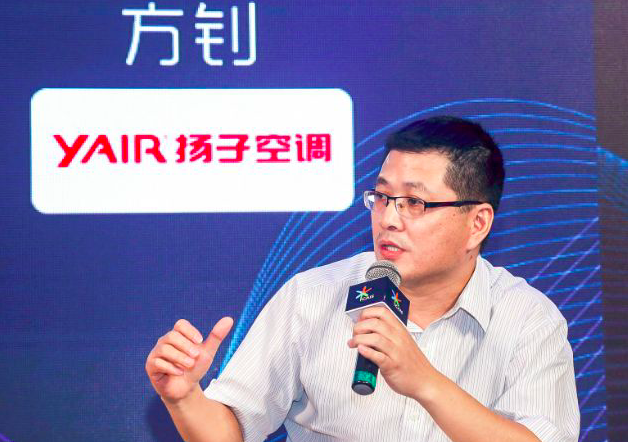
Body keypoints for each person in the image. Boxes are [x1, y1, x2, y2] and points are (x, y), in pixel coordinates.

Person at [146, 116, 580, 442]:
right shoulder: (312, 297)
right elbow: (231, 431)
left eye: (414, 203)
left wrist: (425, 382)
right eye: (383, 197)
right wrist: (184, 399)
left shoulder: (528, 320)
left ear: (477, 223)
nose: (388, 218)